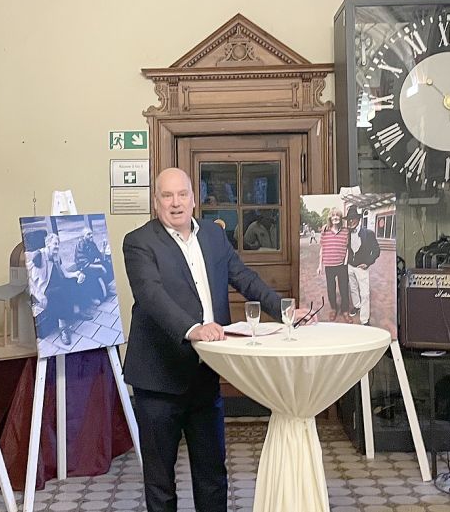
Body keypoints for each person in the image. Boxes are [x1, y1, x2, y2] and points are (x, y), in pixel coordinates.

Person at [122, 168, 311, 512]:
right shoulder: (138, 241)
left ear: (194, 198)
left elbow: (244, 278)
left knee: (212, 476)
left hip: (206, 374)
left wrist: (284, 310)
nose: (176, 203)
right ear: (156, 202)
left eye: (182, 194)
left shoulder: (212, 235)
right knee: (160, 482)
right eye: (167, 196)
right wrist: (193, 328)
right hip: (158, 380)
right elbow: (151, 295)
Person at [26, 233, 89, 346]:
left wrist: (76, 274)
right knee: (58, 292)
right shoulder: (38, 256)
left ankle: (77, 311)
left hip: (56, 284)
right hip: (45, 289)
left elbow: (65, 273)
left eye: (58, 244)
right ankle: (63, 327)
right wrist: (39, 296)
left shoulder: (56, 256)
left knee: (73, 282)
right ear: (48, 244)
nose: (57, 246)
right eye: (55, 243)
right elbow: (30, 278)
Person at [344, 205, 380, 326]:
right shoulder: (346, 233)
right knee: (353, 288)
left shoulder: (368, 233)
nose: (350, 221)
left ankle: (364, 320)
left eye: (353, 218)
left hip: (361, 267)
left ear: (358, 219)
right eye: (349, 219)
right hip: (350, 266)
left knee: (365, 293)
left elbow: (376, 250)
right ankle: (357, 306)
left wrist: (368, 262)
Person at [316, 210, 350, 321]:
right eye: (333, 216)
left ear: (340, 218)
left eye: (338, 216)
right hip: (329, 265)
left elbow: (347, 247)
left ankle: (345, 310)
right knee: (331, 289)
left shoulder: (345, 231)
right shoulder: (325, 231)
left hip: (341, 265)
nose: (335, 217)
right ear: (330, 218)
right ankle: (334, 309)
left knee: (344, 289)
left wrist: (345, 261)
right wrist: (319, 265)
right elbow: (322, 248)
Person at [74, 227, 113, 303]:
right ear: (83, 237)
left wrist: (103, 248)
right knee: (94, 274)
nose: (91, 235)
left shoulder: (92, 243)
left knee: (107, 265)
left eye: (91, 233)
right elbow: (84, 264)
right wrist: (100, 267)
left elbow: (100, 256)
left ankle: (107, 289)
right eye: (88, 234)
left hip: (90, 265)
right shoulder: (80, 245)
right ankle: (92, 298)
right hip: (83, 269)